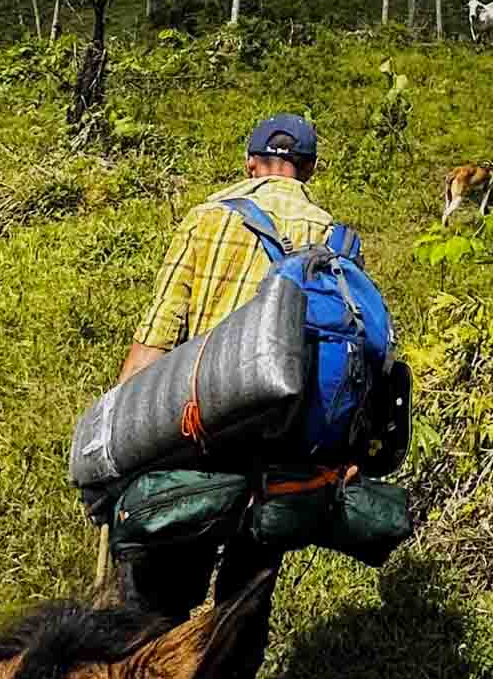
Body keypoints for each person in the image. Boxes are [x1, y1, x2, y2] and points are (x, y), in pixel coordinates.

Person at [117, 113, 338, 622]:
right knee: (244, 605)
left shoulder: (208, 218)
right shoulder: (330, 235)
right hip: (281, 443)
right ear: (309, 169)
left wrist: (118, 438)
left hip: (196, 424)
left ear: (250, 163)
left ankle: (155, 676)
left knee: (158, 599)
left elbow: (157, 334)